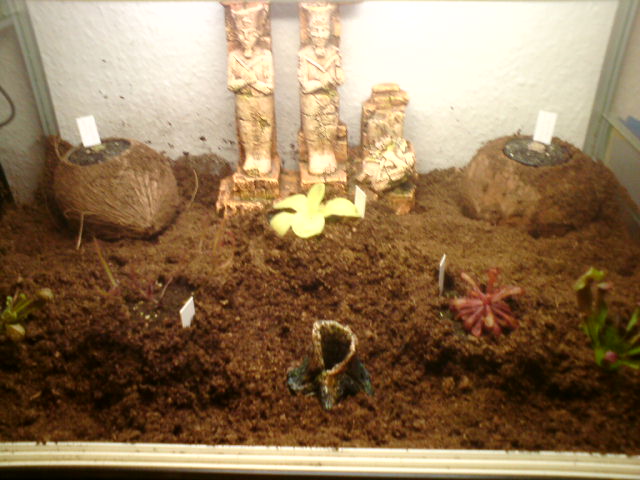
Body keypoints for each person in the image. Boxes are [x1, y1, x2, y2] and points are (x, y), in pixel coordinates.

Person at [227, 3, 274, 175]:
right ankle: (250, 157)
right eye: (242, 33)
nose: (246, 38)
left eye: (250, 33)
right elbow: (231, 84)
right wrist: (244, 82)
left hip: (262, 101)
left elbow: (269, 87)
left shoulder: (265, 56)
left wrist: (253, 82)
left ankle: (263, 157)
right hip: (244, 101)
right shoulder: (234, 56)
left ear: (257, 33)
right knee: (246, 129)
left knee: (263, 128)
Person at [298, 3, 344, 175]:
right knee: (314, 129)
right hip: (311, 101)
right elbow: (305, 84)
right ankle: (315, 155)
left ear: (330, 31)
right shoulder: (304, 54)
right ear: (309, 32)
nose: (319, 35)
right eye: (315, 30)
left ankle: (328, 154)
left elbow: (340, 78)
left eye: (323, 30)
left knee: (329, 129)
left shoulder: (334, 52)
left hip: (330, 100)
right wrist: (322, 83)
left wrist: (334, 77)